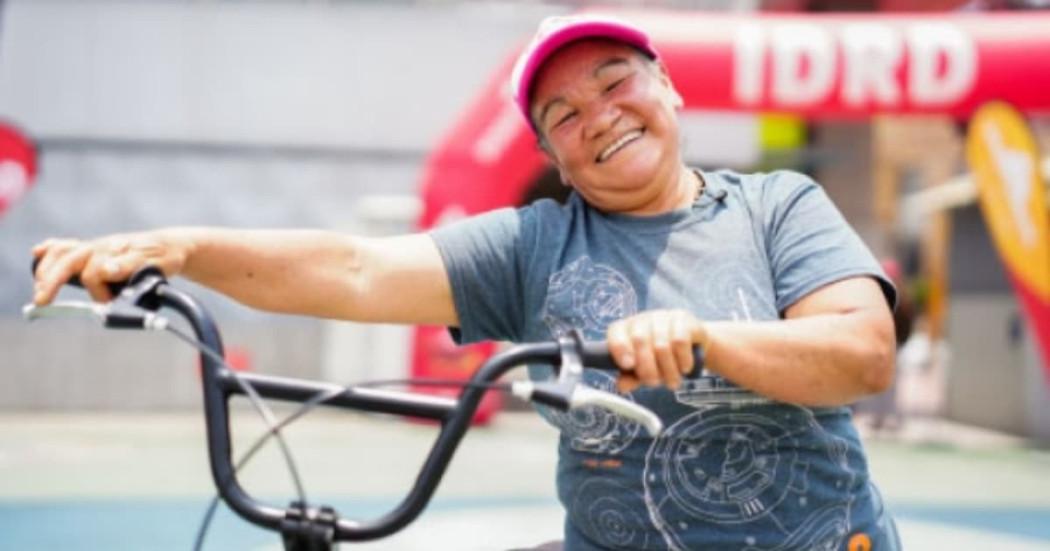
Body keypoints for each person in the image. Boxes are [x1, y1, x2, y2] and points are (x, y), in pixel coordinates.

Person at [31, 15, 900, 551]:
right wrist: (177, 248)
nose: (597, 117)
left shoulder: (777, 205)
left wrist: (704, 337)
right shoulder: (535, 243)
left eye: (614, 83)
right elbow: (357, 268)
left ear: (667, 88)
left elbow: (861, 354)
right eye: (563, 115)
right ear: (551, 155)